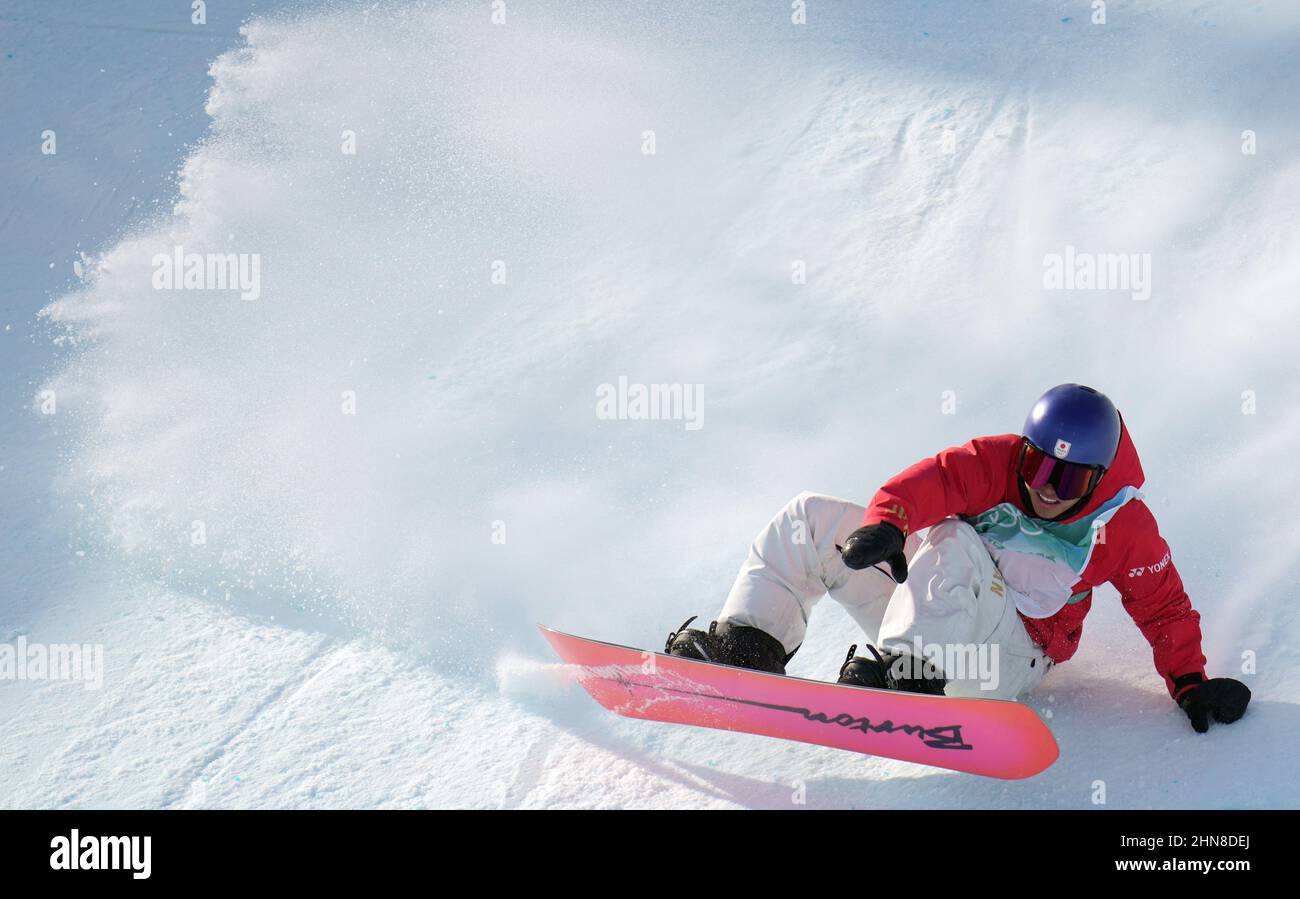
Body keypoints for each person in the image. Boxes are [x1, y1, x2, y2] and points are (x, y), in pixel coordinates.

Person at [666, 384, 1249, 733]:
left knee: (957, 540)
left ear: (1099, 478)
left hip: (1011, 656)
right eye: (1038, 466)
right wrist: (886, 525)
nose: (1046, 487)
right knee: (810, 517)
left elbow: (1163, 604)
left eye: (1068, 478)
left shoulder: (1122, 525)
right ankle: (750, 646)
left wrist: (1190, 682)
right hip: (934, 621)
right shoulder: (995, 462)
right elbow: (933, 480)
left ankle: (908, 674)